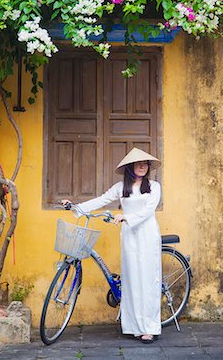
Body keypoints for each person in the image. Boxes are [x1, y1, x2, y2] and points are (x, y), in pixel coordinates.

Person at [62, 147, 162, 344]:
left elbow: (149, 210)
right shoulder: (120, 188)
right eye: (138, 163)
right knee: (132, 279)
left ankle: (150, 327)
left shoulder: (154, 186)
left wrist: (126, 216)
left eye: (145, 163)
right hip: (129, 237)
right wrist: (76, 207)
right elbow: (101, 199)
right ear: (130, 167)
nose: (143, 166)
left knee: (148, 280)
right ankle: (134, 326)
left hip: (148, 234)